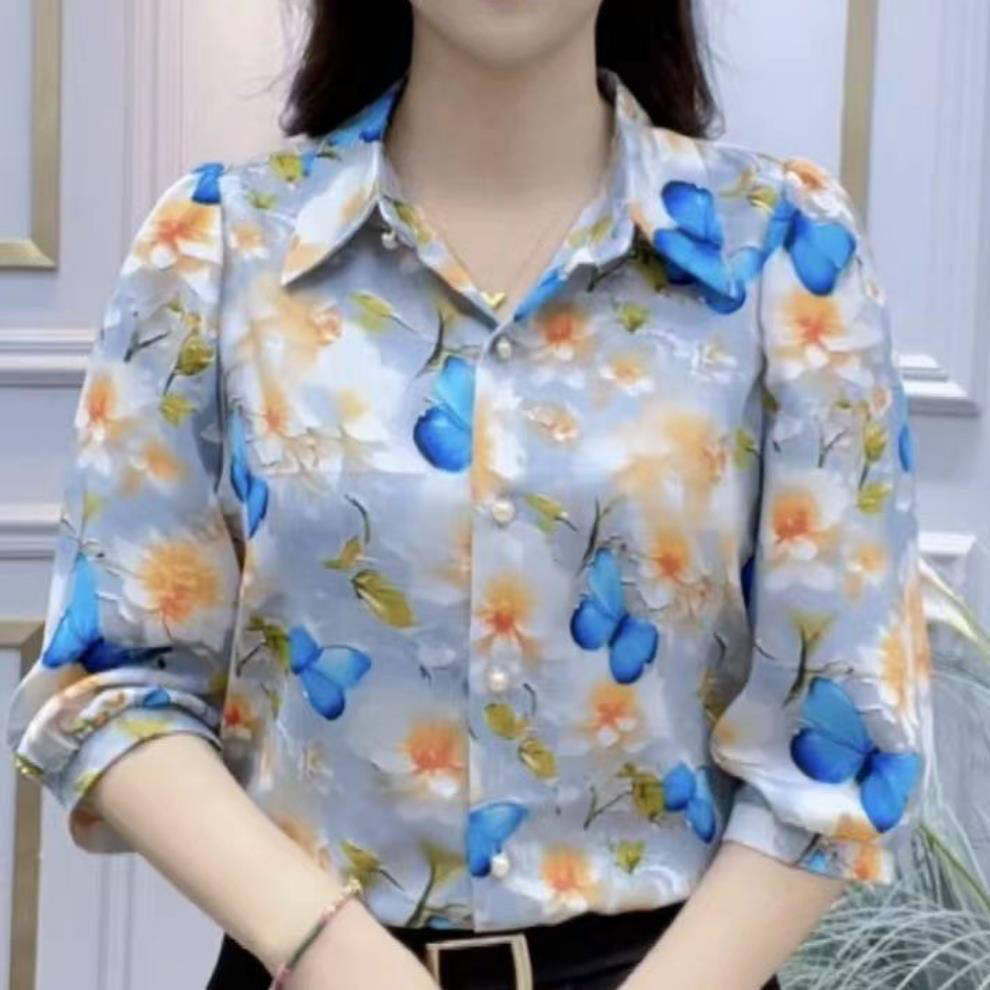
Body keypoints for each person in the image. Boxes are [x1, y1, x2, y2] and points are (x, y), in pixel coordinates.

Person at [5, 1, 935, 988]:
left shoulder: (783, 249)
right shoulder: (221, 246)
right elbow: (111, 682)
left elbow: (843, 723)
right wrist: (329, 950)